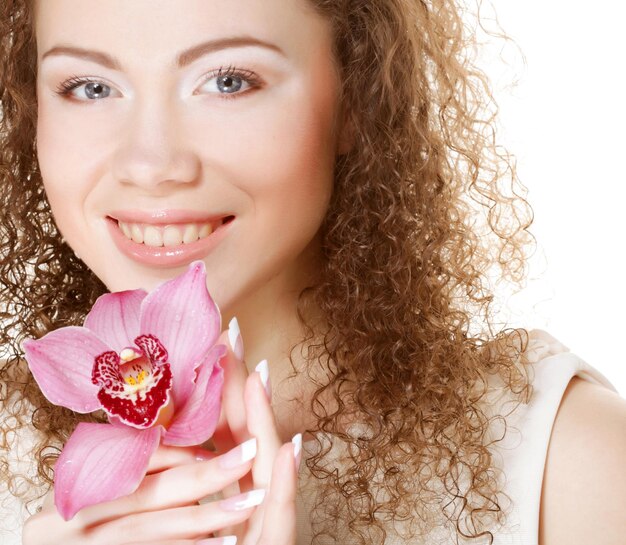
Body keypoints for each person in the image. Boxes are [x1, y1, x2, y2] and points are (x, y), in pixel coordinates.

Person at [0, 0, 624, 544]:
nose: (152, 164)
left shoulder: (560, 468)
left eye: (227, 80)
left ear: (358, 98)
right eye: (88, 86)